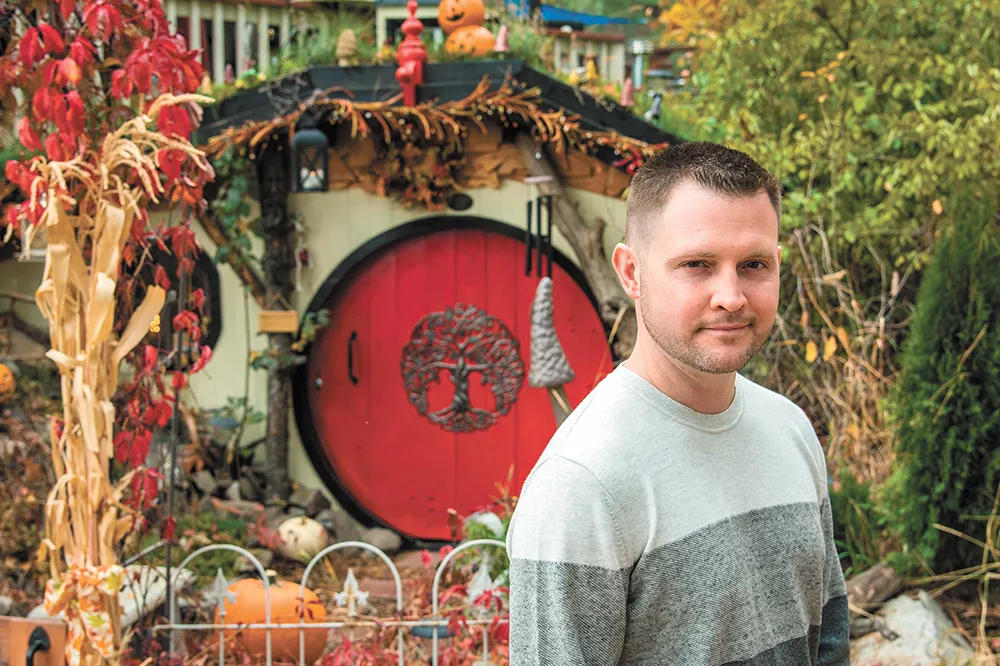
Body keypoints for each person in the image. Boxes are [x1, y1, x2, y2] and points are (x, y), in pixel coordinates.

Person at [506, 142, 850, 665]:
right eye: (697, 264)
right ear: (631, 272)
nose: (731, 296)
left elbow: (828, 643)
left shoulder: (791, 430)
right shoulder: (582, 484)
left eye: (754, 264)